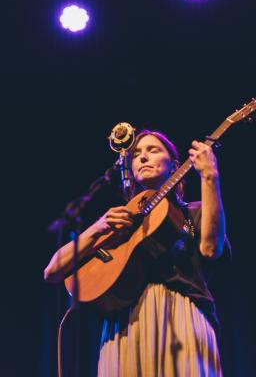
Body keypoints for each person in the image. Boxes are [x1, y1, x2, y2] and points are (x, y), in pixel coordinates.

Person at [44, 129, 230, 376]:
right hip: (124, 324)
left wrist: (209, 176)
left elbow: (210, 249)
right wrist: (99, 227)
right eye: (137, 154)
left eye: (153, 150)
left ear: (175, 165)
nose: (142, 157)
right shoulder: (120, 223)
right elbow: (53, 270)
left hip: (182, 313)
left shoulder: (193, 212)